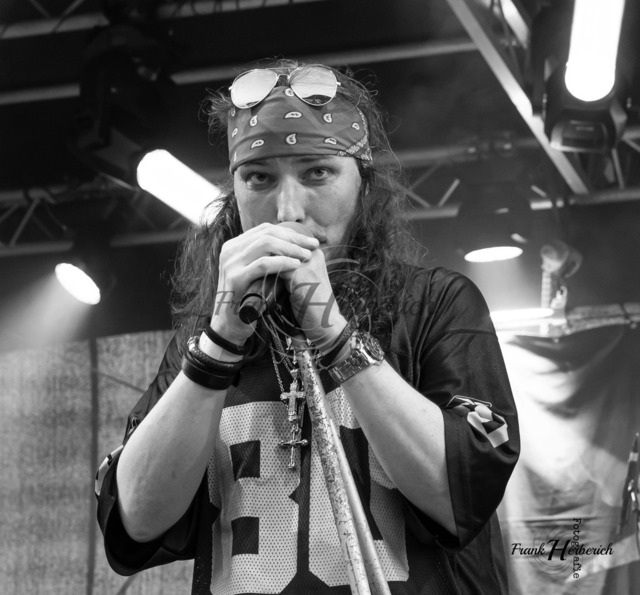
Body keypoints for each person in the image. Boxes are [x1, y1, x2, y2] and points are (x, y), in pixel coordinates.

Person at [96, 59, 520, 594]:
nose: (287, 210)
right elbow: (135, 522)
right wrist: (218, 347)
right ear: (234, 193)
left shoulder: (435, 304)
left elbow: (461, 496)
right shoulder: (203, 340)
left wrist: (334, 335)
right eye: (259, 177)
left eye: (318, 172)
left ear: (364, 185)